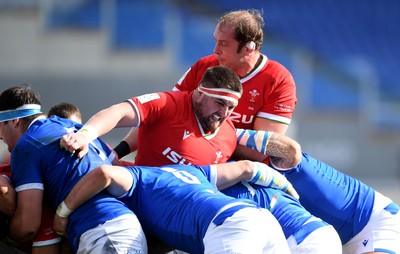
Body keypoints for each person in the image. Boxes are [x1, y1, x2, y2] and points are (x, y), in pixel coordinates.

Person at [60, 66, 341, 252]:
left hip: (198, 226)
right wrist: (86, 134)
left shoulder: (228, 134)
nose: (226, 112)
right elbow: (121, 112)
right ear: (198, 93)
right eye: (220, 103)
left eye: (232, 106)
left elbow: (247, 167)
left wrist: (282, 181)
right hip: (153, 206)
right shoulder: (170, 103)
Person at [0, 85, 147, 253]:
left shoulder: (26, 145)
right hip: (128, 227)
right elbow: (119, 172)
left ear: (14, 121)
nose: (0, 136)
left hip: (102, 234)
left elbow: (28, 226)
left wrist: (6, 236)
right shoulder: (79, 129)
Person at [54, 161, 293, 253]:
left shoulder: (138, 179)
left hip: (229, 226)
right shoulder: (192, 170)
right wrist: (291, 191)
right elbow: (247, 168)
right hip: (262, 219)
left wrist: (62, 212)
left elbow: (104, 173)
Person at [237, 128, 400, 253]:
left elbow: (290, 149)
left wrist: (230, 133)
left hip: (375, 222)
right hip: (332, 237)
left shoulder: (289, 164)